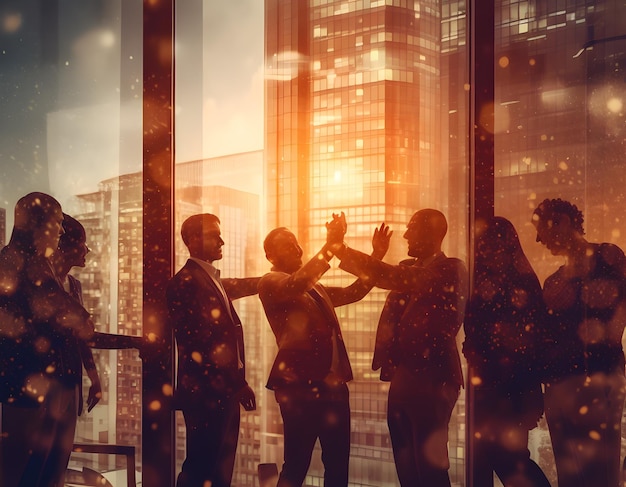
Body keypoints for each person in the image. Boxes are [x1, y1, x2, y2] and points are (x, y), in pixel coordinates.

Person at [332, 209, 467, 487]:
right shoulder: (411, 268)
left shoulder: (450, 267)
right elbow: (382, 278)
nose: (405, 235)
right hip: (405, 375)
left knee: (429, 468)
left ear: (432, 233)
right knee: (406, 466)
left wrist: (340, 248)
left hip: (432, 376)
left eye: (412, 228)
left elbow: (393, 277)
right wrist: (374, 255)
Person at [258, 219, 390, 487]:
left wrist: (376, 257)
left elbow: (355, 292)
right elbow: (297, 284)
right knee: (297, 463)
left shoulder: (314, 288)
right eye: (286, 246)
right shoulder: (271, 282)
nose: (296, 249)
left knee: (338, 463)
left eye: (296, 243)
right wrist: (330, 247)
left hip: (333, 386)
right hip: (299, 388)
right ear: (270, 256)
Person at [0, 192, 95, 487]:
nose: (62, 230)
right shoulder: (25, 265)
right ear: (38, 223)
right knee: (26, 474)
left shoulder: (28, 263)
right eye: (57, 222)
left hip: (39, 389)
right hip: (28, 393)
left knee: (40, 474)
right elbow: (76, 319)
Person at [532, 198, 626, 487]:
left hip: (593, 379)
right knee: (575, 472)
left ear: (561, 221)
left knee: (593, 472)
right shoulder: (555, 281)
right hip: (571, 383)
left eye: (541, 229)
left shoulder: (605, 256)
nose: (538, 239)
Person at [167, 213, 259, 487]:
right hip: (208, 393)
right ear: (194, 240)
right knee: (202, 468)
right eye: (214, 235)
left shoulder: (209, 280)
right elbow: (203, 344)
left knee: (217, 470)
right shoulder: (187, 282)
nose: (222, 240)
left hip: (218, 392)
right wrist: (236, 383)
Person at [462, 216, 550, 487]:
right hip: (496, 386)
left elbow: (527, 341)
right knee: (503, 457)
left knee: (508, 458)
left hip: (510, 387)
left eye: (489, 242)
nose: (484, 249)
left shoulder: (516, 281)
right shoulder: (496, 280)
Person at [50, 214, 102, 417]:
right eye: (83, 243)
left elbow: (82, 338)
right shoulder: (46, 287)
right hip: (45, 385)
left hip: (71, 382)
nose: (87, 249)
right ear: (65, 246)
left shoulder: (74, 285)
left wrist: (94, 378)